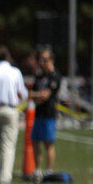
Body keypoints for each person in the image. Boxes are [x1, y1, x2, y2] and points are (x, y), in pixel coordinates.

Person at [0, 45, 28, 184]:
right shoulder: (15, 72)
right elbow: (23, 93)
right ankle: (5, 178)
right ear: (8, 57)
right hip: (10, 109)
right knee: (7, 145)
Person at [29, 47, 61, 176]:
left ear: (51, 60)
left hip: (49, 113)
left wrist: (36, 96)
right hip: (38, 113)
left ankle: (49, 170)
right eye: (40, 59)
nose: (41, 62)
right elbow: (33, 95)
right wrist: (37, 96)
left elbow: (45, 95)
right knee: (35, 141)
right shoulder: (40, 75)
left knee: (48, 143)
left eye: (44, 59)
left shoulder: (55, 76)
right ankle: (37, 170)